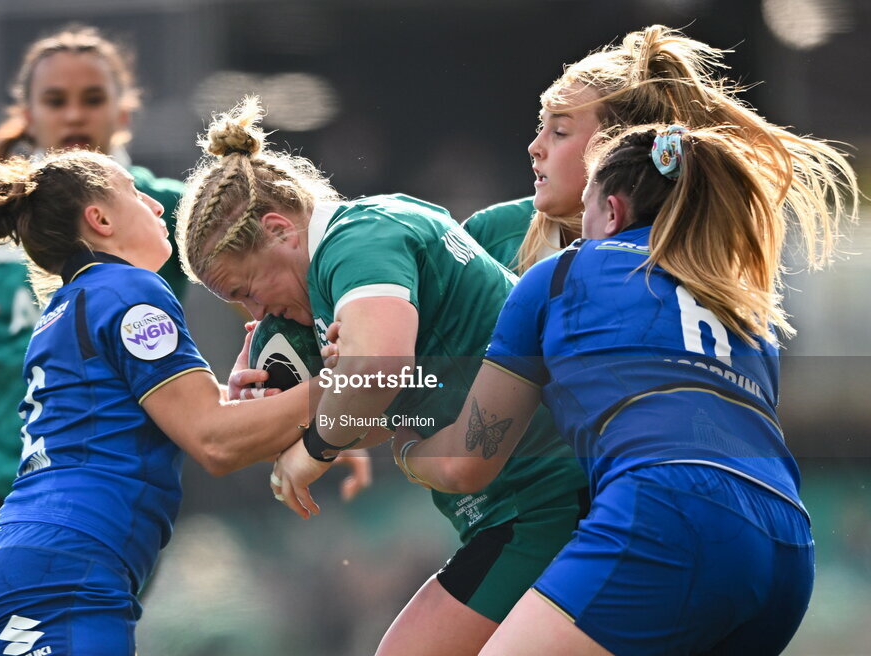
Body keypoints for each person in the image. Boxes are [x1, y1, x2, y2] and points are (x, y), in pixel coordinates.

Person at [394, 123, 858, 655]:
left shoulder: (561, 273)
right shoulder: (746, 312)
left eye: (584, 211)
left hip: (670, 507)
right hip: (787, 546)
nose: (574, 227)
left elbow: (467, 461)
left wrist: (406, 448)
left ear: (611, 212)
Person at [177, 97, 587, 656]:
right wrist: (287, 407)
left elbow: (380, 372)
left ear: (280, 230)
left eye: (247, 290)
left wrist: (315, 446)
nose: (256, 313)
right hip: (521, 501)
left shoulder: (355, 238)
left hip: (540, 501)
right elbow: (391, 407)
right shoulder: (338, 274)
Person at [0, 150, 314, 654]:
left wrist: (239, 403)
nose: (157, 207)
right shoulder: (131, 287)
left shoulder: (66, 307)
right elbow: (213, 442)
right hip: (57, 576)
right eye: (137, 196)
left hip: (4, 570)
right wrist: (348, 381)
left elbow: (148, 421)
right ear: (100, 219)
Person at [0, 25, 191, 552]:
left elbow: (261, 279)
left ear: (124, 114)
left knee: (75, 627)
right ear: (28, 114)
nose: (73, 115)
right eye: (55, 100)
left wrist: (326, 417)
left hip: (106, 484)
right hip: (3, 479)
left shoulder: (163, 209)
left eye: (92, 98)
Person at [462, 24, 855, 275]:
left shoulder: (689, 260)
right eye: (540, 126)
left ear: (617, 147)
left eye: (560, 131)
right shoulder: (489, 235)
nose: (535, 147)